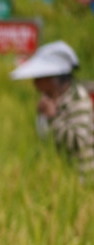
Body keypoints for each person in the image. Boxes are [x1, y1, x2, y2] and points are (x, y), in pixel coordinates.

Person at [10, 40, 94, 179]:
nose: (35, 83)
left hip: (82, 178)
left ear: (55, 78)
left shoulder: (78, 100)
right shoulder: (51, 98)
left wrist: (53, 117)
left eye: (39, 78)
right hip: (60, 175)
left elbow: (78, 142)